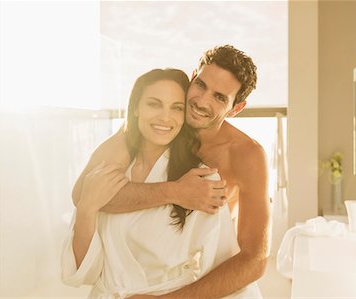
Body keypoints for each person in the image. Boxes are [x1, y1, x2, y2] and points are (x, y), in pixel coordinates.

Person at [71, 45, 270, 299]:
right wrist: (174, 192)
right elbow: (83, 195)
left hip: (206, 277)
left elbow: (255, 258)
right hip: (145, 268)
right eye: (200, 85)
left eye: (219, 97)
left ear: (236, 108)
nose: (201, 101)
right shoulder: (158, 126)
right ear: (192, 76)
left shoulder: (246, 155)